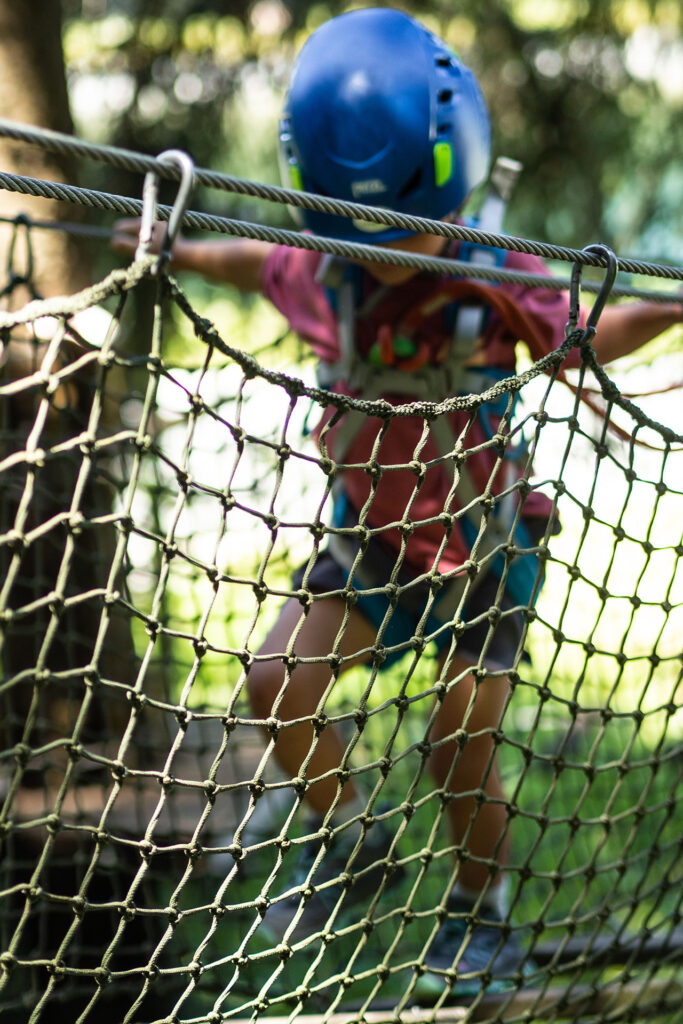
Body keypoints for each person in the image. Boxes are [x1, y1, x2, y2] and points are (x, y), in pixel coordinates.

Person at [113, 7, 682, 998]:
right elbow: (259, 262)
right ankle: (348, 841)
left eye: (404, 230)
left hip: (480, 553)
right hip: (372, 546)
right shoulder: (326, 266)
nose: (381, 253)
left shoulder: (491, 274)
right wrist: (181, 251)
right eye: (360, 231)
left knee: (456, 739)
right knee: (275, 680)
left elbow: (593, 330)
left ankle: (478, 915)